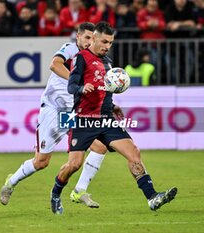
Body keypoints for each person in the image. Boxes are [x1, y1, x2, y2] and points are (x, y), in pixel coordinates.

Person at [50, 21, 177, 215]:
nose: (107, 46)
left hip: (106, 119)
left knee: (134, 152)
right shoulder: (81, 58)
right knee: (74, 165)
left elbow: (105, 91)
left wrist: (113, 106)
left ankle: (152, 197)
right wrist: (82, 88)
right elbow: (71, 87)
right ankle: (56, 193)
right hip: (84, 119)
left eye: (110, 43)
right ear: (93, 38)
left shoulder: (108, 62)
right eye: (104, 42)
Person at [0, 22, 108, 208]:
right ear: (78, 36)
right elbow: (54, 64)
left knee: (99, 147)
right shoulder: (70, 49)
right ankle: (11, 182)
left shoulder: (95, 60)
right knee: (41, 162)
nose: (90, 42)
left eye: (93, 38)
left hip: (74, 114)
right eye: (87, 37)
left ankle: (79, 190)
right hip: (53, 109)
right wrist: (76, 79)